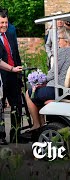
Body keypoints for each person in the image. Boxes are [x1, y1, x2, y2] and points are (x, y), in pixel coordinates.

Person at [25, 28, 70, 133]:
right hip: (65, 88)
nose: (58, 41)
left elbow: (53, 73)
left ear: (67, 40)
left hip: (58, 89)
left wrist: (39, 80)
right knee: (39, 91)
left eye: (59, 38)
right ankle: (42, 125)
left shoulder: (63, 51)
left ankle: (36, 124)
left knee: (29, 92)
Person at [0, 11, 24, 144]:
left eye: (6, 22)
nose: (4, 25)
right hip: (1, 77)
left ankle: (16, 134)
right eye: (1, 23)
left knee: (17, 105)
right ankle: (1, 135)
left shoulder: (9, 34)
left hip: (13, 75)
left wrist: (18, 72)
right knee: (0, 107)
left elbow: (16, 54)